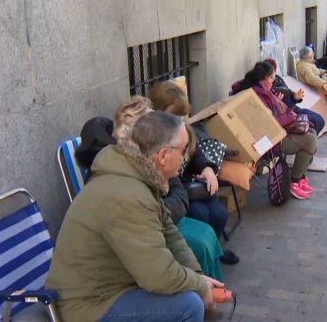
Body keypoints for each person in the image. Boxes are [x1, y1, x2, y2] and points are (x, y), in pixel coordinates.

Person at [47, 111, 224, 322]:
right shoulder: (128, 196)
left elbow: (170, 233)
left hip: (110, 289)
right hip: (89, 307)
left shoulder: (137, 175)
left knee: (192, 294)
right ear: (163, 156)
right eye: (184, 150)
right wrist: (198, 287)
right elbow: (158, 275)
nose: (186, 157)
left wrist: (197, 276)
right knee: (188, 307)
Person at [148, 81, 240, 265]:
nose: (181, 121)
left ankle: (214, 249)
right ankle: (199, 256)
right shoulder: (153, 137)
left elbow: (197, 155)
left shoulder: (185, 131)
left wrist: (208, 169)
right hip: (173, 192)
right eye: (175, 116)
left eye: (183, 117)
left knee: (220, 213)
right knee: (200, 213)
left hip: (190, 187)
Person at [231, 61, 317, 200]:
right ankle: (294, 182)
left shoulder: (265, 92)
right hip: (267, 140)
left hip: (275, 132)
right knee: (310, 140)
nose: (273, 80)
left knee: (311, 131)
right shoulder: (258, 96)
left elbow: (275, 114)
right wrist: (290, 115)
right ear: (263, 79)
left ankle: (300, 177)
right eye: (271, 77)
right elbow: (269, 122)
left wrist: (289, 106)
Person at [265, 58, 326, 134]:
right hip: (287, 113)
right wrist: (278, 102)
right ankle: (307, 140)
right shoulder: (266, 88)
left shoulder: (277, 79)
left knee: (320, 120)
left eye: (274, 72)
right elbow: (278, 110)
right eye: (271, 75)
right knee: (314, 123)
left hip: (293, 108)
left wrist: (295, 97)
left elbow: (287, 92)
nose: (274, 76)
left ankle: (309, 139)